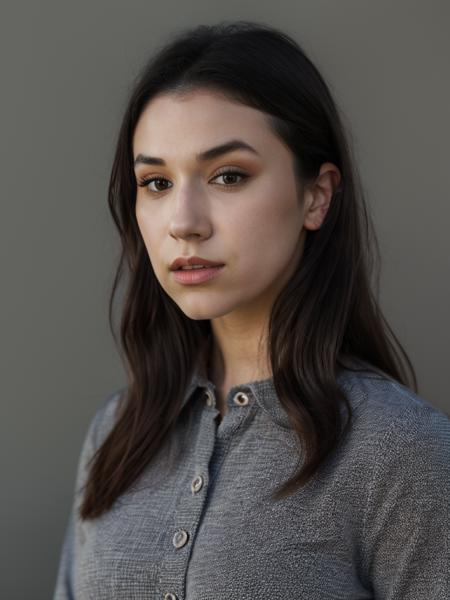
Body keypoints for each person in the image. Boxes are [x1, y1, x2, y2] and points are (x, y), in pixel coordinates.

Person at [53, 20, 450, 599]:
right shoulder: (117, 433)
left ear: (316, 195)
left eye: (228, 175)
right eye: (157, 182)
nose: (184, 221)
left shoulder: (399, 449)